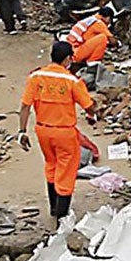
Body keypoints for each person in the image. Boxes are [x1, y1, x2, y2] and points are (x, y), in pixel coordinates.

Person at [19, 40, 94, 222]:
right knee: (66, 170)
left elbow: (25, 106)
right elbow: (88, 106)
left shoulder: (36, 77)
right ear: (68, 59)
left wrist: (22, 131)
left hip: (43, 131)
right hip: (65, 132)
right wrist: (93, 115)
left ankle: (53, 207)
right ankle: (61, 215)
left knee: (51, 165)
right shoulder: (72, 81)